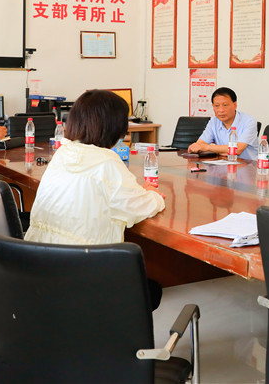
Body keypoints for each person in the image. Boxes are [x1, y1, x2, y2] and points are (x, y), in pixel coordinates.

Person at [25, 89, 165, 307]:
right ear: (115, 127)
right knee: (152, 289)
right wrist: (153, 195)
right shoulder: (107, 161)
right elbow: (139, 206)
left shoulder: (63, 152)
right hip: (83, 276)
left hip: (38, 270)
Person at [187, 87, 259, 161]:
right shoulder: (213, 121)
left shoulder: (249, 122)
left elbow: (238, 149)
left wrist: (208, 147)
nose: (221, 110)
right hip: (222, 165)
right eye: (217, 106)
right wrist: (219, 151)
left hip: (246, 165)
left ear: (235, 105)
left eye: (225, 105)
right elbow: (198, 145)